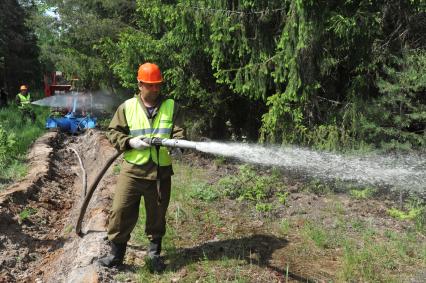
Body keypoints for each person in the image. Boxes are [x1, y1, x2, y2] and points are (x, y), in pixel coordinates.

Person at [98, 63, 185, 272]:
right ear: (140, 84)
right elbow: (112, 132)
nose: (155, 89)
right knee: (120, 211)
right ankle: (116, 255)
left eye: (158, 85)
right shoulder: (127, 107)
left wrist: (178, 147)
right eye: (150, 85)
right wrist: (130, 142)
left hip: (160, 173)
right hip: (133, 172)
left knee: (157, 215)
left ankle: (154, 256)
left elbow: (179, 133)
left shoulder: (172, 106)